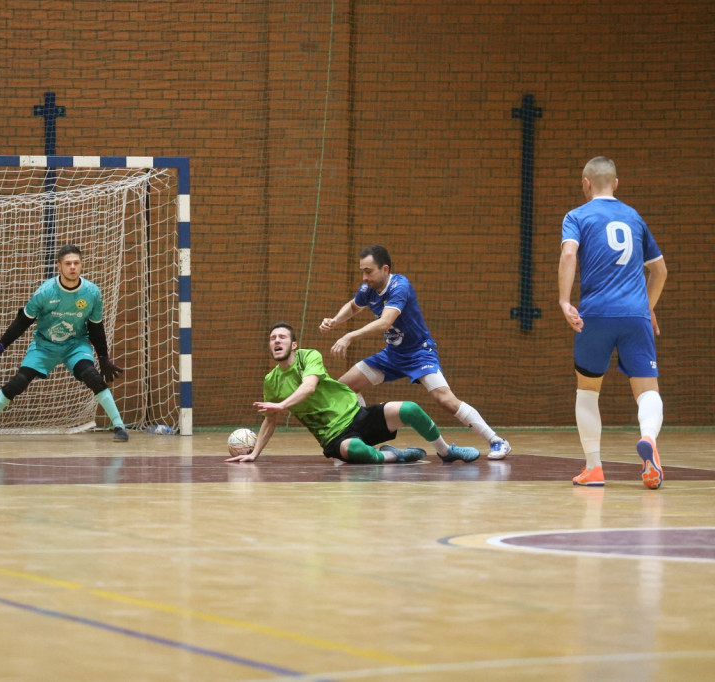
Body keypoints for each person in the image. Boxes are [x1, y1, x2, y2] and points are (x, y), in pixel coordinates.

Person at [318, 244, 511, 459]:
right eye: (362, 271)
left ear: (385, 269)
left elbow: (384, 323)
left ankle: (496, 441)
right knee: (344, 387)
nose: (364, 277)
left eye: (368, 271)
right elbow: (354, 306)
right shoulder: (368, 290)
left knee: (445, 400)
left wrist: (349, 336)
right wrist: (335, 321)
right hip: (392, 355)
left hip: (419, 353)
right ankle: (362, 437)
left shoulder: (400, 286)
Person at [225, 322, 480, 464]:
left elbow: (309, 386)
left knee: (410, 409)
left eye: (281, 337)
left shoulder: (309, 357)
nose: (276, 341)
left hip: (357, 415)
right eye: (272, 338)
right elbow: (270, 419)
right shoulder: (272, 381)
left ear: (294, 344)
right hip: (333, 437)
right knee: (356, 451)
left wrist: (281, 406)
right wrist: (255, 453)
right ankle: (393, 456)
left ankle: (447, 452)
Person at [558, 156, 667, 488]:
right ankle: (648, 439)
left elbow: (568, 254)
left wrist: (564, 300)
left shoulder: (577, 216)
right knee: (647, 391)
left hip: (596, 314)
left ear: (585, 182)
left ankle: (594, 468)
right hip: (635, 315)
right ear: (616, 184)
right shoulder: (634, 216)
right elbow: (660, 271)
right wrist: (645, 308)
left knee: (588, 391)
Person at [0, 244, 128, 442]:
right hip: (44, 345)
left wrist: (103, 357)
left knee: (91, 376)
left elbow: (96, 327)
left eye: (76, 263)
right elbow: (21, 322)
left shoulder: (92, 292)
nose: (73, 267)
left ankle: (119, 427)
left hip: (75, 345)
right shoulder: (45, 292)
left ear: (81, 265)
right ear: (59, 266)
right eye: (68, 263)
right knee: (19, 381)